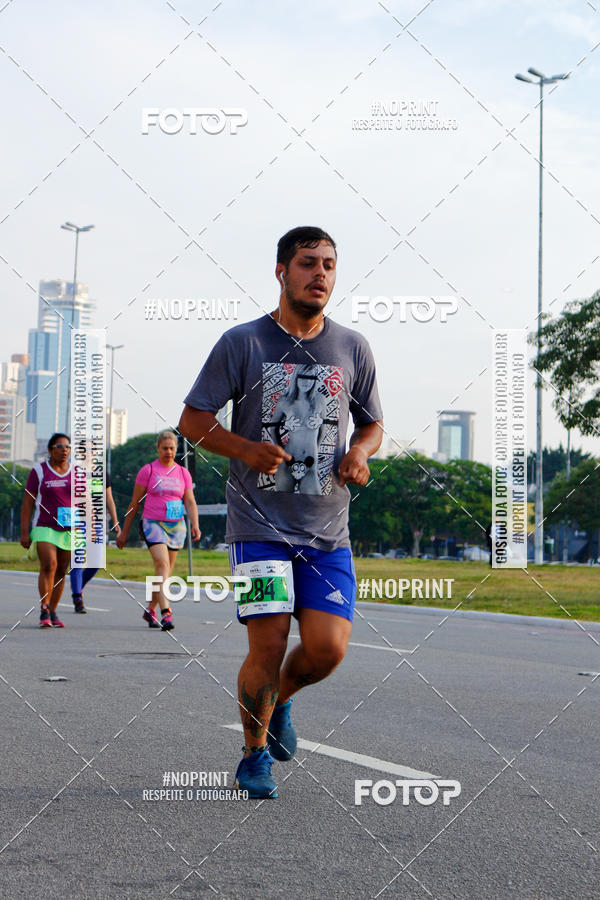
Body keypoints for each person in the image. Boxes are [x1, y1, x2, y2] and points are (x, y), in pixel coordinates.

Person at [179, 226, 383, 799]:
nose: (320, 274)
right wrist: (247, 449)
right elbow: (194, 422)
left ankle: (282, 702)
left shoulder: (351, 347)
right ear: (281, 272)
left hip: (327, 530)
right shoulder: (243, 343)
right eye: (307, 263)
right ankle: (252, 755)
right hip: (259, 528)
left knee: (327, 649)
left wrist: (360, 453)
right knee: (266, 646)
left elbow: (371, 423)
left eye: (329, 265)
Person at [116, 430, 201, 630]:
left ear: (176, 449)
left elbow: (189, 500)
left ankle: (150, 609)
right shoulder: (148, 470)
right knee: (162, 564)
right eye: (165, 448)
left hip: (176, 525)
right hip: (153, 523)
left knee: (165, 572)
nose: (169, 452)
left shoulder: (182, 472)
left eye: (172, 448)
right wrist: (124, 532)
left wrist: (195, 524)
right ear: (158, 449)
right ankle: (166, 613)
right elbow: (135, 503)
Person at [20, 433, 73, 628]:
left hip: (69, 528)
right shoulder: (39, 471)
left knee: (61, 570)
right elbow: (27, 503)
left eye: (67, 447)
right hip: (44, 526)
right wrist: (24, 532)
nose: (64, 450)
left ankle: (52, 610)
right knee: (49, 564)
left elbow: (85, 502)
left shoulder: (77, 472)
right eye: (60, 446)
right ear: (50, 450)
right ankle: (44, 607)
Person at [70, 470, 121, 613]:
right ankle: (77, 598)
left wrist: (115, 521)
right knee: (77, 560)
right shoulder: (73, 471)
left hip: (97, 522)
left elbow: (108, 498)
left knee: (96, 563)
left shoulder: (102, 474)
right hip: (77, 520)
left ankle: (78, 587)